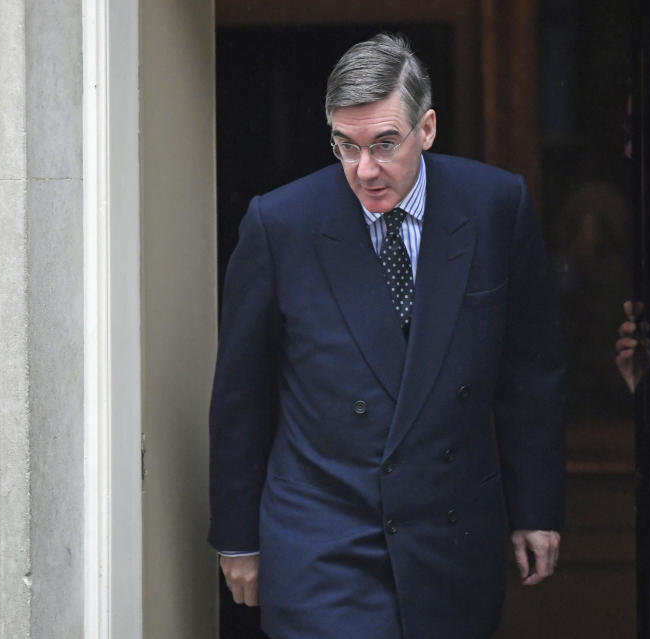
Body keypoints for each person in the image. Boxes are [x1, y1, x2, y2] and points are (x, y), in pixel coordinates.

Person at [209, 33, 565, 639]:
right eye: (345, 147)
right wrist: (237, 538)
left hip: (450, 535)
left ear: (426, 128)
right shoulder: (281, 222)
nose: (364, 170)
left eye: (383, 144)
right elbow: (242, 392)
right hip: (323, 536)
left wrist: (535, 509)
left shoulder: (496, 205)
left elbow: (530, 370)